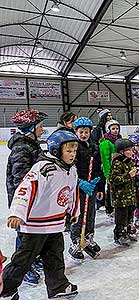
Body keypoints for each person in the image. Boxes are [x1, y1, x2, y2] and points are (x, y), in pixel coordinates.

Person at [0, 130, 79, 299]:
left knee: (55, 258)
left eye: (74, 151)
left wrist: (73, 211)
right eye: (68, 151)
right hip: (35, 225)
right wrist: (17, 213)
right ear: (56, 150)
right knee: (23, 261)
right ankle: (5, 289)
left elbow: (72, 192)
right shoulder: (44, 167)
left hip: (55, 224)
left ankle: (58, 286)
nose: (72, 154)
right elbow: (26, 189)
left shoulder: (71, 170)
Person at [6, 109, 47, 285]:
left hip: (35, 198)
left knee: (34, 234)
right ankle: (23, 267)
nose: (42, 129)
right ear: (31, 128)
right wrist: (23, 204)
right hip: (24, 200)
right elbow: (20, 179)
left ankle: (34, 258)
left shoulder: (31, 144)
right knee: (24, 235)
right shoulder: (22, 148)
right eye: (40, 126)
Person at [69, 117, 103, 261]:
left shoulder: (94, 147)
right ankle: (76, 240)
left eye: (86, 132)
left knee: (90, 213)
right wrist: (79, 182)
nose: (84, 135)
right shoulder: (73, 147)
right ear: (75, 132)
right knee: (79, 213)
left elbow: (99, 168)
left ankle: (88, 236)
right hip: (79, 187)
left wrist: (99, 184)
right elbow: (70, 169)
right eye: (81, 132)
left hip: (92, 185)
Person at [110, 139, 137, 246]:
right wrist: (128, 176)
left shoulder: (129, 161)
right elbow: (113, 179)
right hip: (120, 197)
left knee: (130, 214)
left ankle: (128, 230)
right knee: (121, 217)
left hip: (129, 195)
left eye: (131, 149)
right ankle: (119, 234)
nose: (131, 152)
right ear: (121, 152)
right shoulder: (117, 163)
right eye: (128, 150)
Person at [99, 119, 122, 219]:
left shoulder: (119, 140)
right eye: (113, 129)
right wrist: (108, 174)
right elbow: (105, 160)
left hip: (120, 169)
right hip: (111, 170)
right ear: (108, 130)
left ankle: (117, 207)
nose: (116, 130)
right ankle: (109, 208)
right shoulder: (106, 142)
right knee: (111, 190)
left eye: (117, 128)